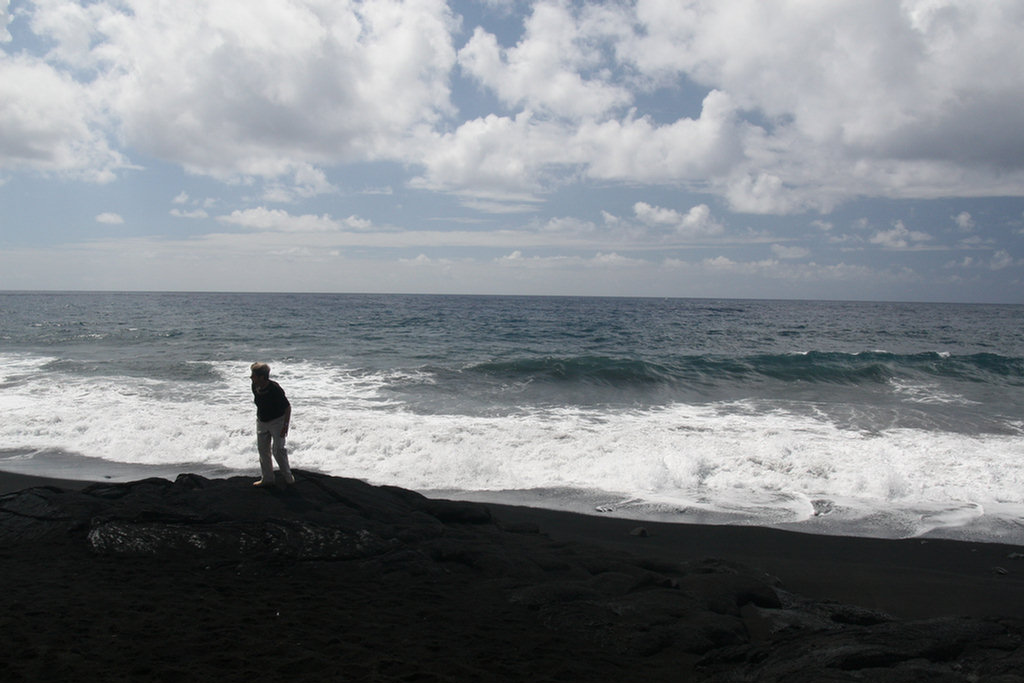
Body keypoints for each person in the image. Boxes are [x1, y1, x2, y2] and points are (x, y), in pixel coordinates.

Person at [249, 362, 295, 487]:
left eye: (253, 375)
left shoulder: (275, 389)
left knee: (278, 450)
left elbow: (287, 407)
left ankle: (288, 476)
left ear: (262, 377)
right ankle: (267, 478)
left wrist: (285, 426)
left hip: (277, 421)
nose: (251, 377)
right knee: (263, 449)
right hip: (262, 421)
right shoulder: (254, 385)